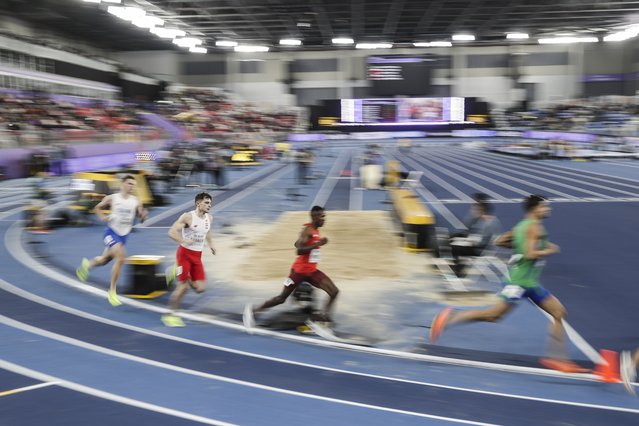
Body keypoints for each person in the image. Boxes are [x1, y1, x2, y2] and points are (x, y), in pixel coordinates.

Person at [429, 195, 588, 373]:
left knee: (558, 312)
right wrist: (549, 249)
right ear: (535, 209)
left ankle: (557, 359)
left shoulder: (521, 226)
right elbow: (530, 254)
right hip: (519, 283)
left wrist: (519, 250)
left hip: (531, 283)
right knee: (493, 316)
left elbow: (500, 241)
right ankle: (449, 319)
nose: (548, 209)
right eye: (545, 207)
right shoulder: (534, 227)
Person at [243, 205, 339, 330]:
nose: (324, 219)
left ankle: (324, 319)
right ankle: (253, 311)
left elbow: (297, 243)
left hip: (311, 272)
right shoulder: (308, 230)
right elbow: (299, 250)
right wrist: (318, 244)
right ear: (315, 217)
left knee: (334, 292)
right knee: (281, 298)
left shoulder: (314, 230)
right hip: (298, 273)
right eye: (322, 216)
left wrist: (304, 242)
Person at [76, 174, 147, 306]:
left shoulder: (136, 201)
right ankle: (112, 292)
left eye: (133, 185)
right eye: (130, 183)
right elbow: (97, 208)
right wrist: (103, 217)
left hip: (123, 236)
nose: (132, 186)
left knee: (104, 261)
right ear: (123, 184)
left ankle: (87, 265)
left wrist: (143, 216)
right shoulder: (112, 198)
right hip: (111, 233)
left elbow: (142, 217)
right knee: (121, 258)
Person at [162, 192, 216, 327]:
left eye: (210, 203)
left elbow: (207, 231)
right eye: (206, 203)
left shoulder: (209, 218)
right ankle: (170, 315)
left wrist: (211, 245)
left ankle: (175, 271)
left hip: (197, 256)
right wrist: (182, 239)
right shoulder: (187, 217)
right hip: (184, 254)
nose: (209, 205)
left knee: (200, 289)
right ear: (198, 203)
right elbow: (171, 232)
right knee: (183, 287)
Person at [449, 193, 501, 277]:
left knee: (457, 247)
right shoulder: (479, 219)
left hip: (479, 248)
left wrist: (466, 240)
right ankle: (457, 265)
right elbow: (467, 227)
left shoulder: (489, 223)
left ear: (482, 211)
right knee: (454, 239)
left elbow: (481, 240)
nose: (475, 210)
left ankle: (459, 269)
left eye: (478, 210)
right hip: (474, 242)